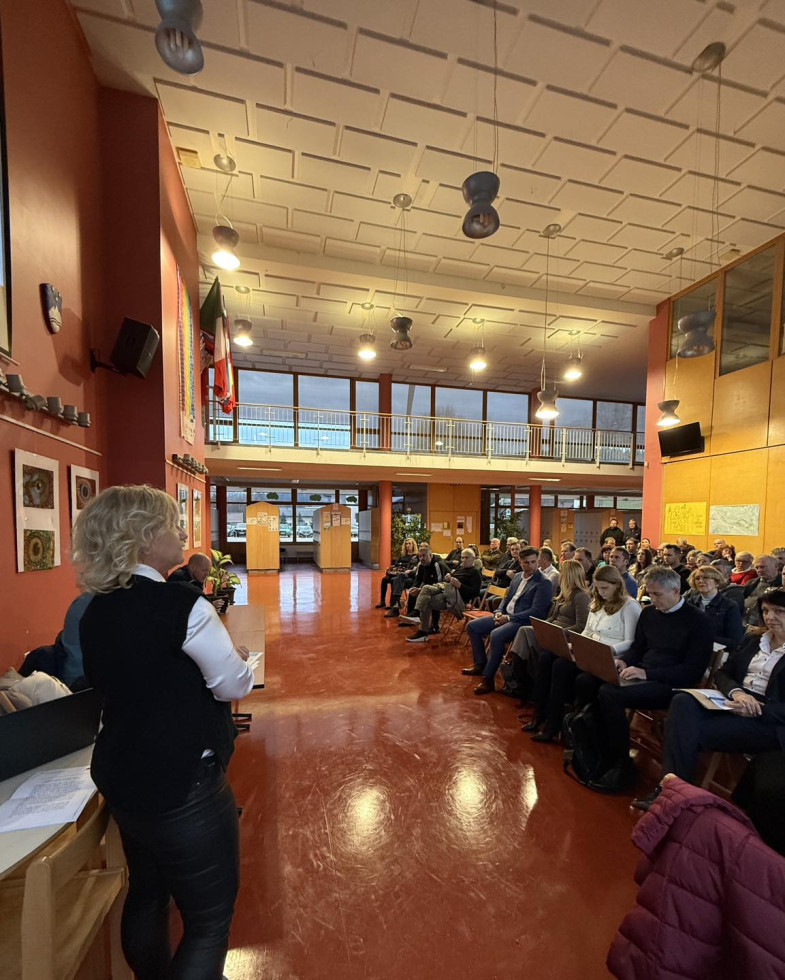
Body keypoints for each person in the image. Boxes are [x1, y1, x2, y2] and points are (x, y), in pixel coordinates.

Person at [72, 485, 254, 979]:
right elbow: (233, 683)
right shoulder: (182, 604)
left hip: (124, 774)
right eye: (172, 525)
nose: (180, 535)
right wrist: (239, 660)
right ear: (144, 536)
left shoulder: (95, 609)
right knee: (209, 920)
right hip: (183, 783)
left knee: (148, 894)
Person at [632, 587, 785, 812]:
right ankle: (676, 791)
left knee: (687, 730)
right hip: (735, 700)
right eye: (766, 611)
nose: (770, 617)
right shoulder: (755, 639)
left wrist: (760, 709)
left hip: (767, 719)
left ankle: (671, 793)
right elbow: (724, 673)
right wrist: (737, 693)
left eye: (779, 612)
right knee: (683, 700)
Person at [574, 566, 713, 786]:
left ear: (676, 591)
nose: (652, 599)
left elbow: (691, 671)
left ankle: (621, 762)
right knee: (587, 679)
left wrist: (646, 672)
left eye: (658, 594)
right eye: (650, 593)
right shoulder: (649, 613)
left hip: (671, 683)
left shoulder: (698, 622)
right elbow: (638, 647)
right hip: (642, 674)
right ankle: (595, 746)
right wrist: (625, 661)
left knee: (609, 693)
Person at [517, 560, 592, 739]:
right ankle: (539, 714)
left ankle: (552, 723)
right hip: (555, 639)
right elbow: (552, 617)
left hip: (568, 641)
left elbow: (582, 626)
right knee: (544, 660)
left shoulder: (580, 596)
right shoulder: (562, 595)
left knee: (555, 664)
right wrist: (546, 628)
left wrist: (559, 633)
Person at [462, 547, 553, 695]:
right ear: (520, 562)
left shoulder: (543, 582)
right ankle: (480, 664)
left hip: (523, 621)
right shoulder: (517, 577)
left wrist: (509, 618)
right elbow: (506, 599)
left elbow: (536, 611)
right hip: (506, 616)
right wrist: (498, 612)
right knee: (473, 627)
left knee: (496, 635)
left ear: (538, 561)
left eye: (533, 562)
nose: (530, 566)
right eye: (526, 562)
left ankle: (488, 678)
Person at [405, 549, 482, 643]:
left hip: (457, 600)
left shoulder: (475, 573)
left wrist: (460, 585)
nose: (463, 560)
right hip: (447, 590)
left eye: (466, 557)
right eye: (462, 557)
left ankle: (422, 631)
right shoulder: (461, 567)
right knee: (425, 588)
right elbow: (450, 579)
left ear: (473, 558)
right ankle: (417, 614)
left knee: (426, 600)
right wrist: (448, 578)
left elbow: (475, 593)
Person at [684, 565, 744, 650]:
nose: (701, 581)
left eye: (706, 578)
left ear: (717, 582)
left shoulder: (730, 606)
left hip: (714, 653)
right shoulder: (689, 603)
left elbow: (735, 641)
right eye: (697, 579)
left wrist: (705, 637)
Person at [394, 545, 448, 624]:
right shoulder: (421, 564)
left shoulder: (437, 564)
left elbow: (439, 584)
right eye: (420, 556)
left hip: (443, 588)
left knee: (430, 595)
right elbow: (418, 579)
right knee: (414, 591)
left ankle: (434, 625)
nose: (421, 558)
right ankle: (411, 617)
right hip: (428, 585)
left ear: (430, 555)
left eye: (424, 556)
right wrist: (413, 588)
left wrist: (421, 589)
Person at [376, 537, 418, 609]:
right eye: (406, 544)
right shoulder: (402, 556)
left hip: (405, 576)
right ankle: (382, 601)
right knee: (384, 579)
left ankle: (393, 603)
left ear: (413, 545)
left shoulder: (415, 557)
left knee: (394, 580)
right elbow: (396, 564)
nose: (407, 545)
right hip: (396, 573)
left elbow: (410, 568)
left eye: (409, 544)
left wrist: (401, 566)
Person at [743, 554, 782, 627]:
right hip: (744, 621)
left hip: (767, 624)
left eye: (762, 567)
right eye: (756, 567)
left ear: (776, 567)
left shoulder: (782, 585)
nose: (759, 570)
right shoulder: (751, 583)